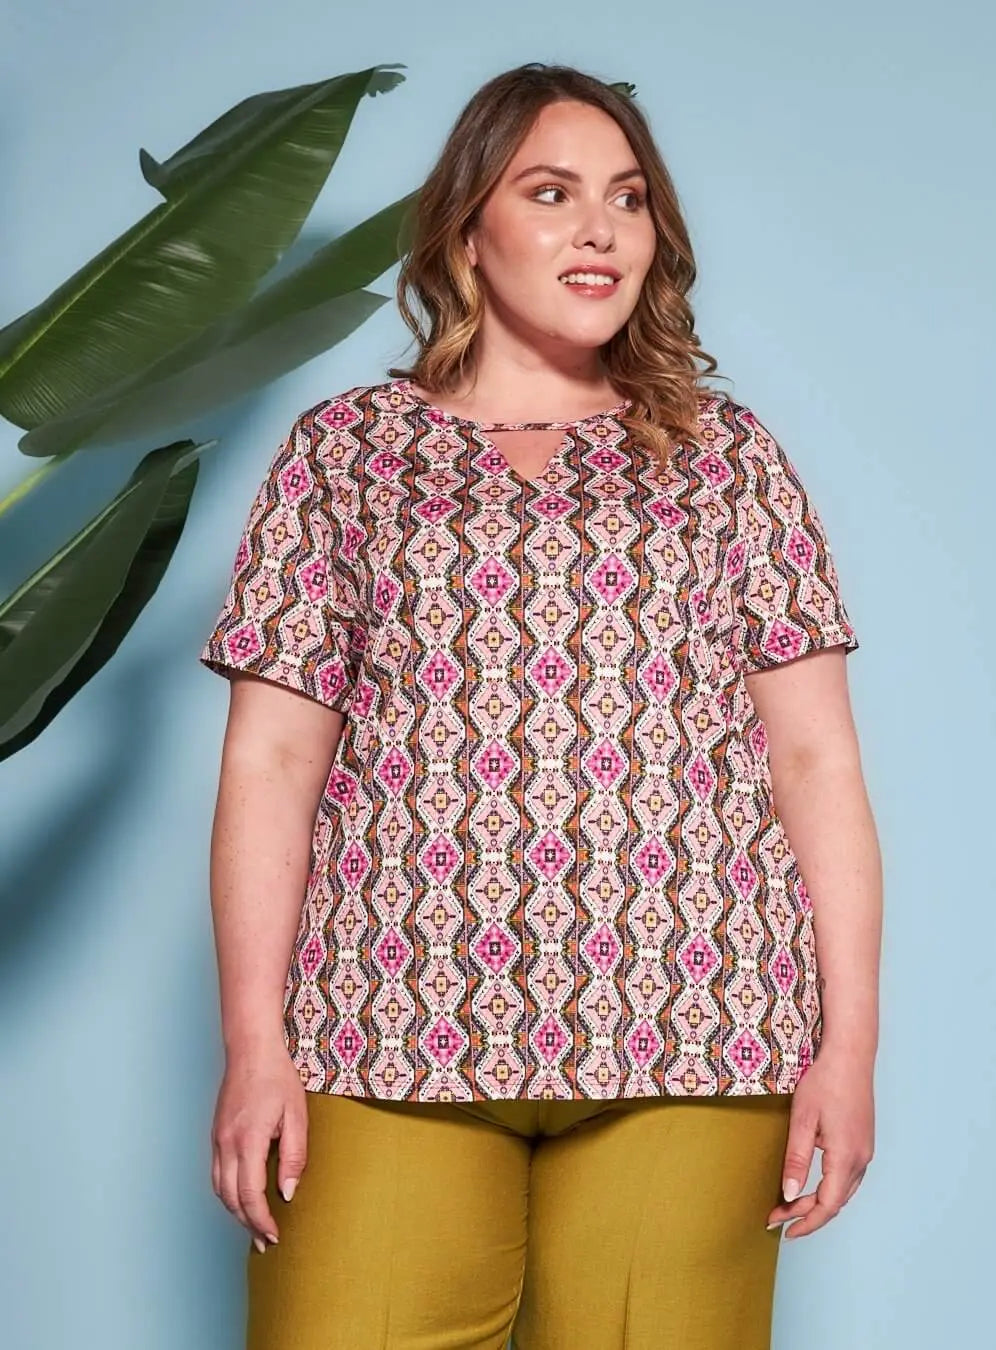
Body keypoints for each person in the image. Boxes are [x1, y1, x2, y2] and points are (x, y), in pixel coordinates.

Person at [199, 61, 882, 1350]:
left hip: (697, 1027)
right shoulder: (344, 455)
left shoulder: (728, 459)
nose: (600, 229)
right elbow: (271, 765)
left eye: (628, 198)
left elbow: (817, 765)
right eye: (552, 193)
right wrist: (251, 1044)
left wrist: (849, 1050)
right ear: (468, 232)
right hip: (383, 1022)